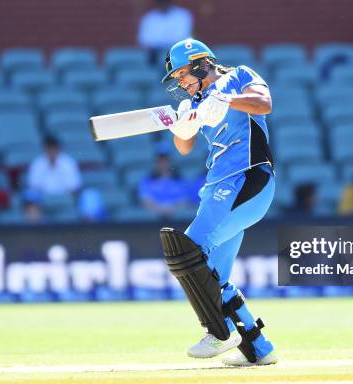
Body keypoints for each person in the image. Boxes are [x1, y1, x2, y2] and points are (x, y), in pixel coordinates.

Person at [158, 38, 277, 366]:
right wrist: (183, 127)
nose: (181, 83)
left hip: (248, 177)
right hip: (217, 188)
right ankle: (258, 348)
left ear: (200, 63)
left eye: (183, 74)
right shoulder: (196, 100)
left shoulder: (238, 75)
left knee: (189, 251)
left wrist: (226, 98)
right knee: (214, 275)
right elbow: (184, 147)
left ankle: (220, 330)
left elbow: (264, 103)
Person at [138, 147, 190, 217]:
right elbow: (145, 200)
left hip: (178, 218)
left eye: (166, 160)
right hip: (152, 219)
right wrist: (159, 209)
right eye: (160, 160)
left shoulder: (180, 180)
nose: (163, 163)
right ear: (155, 161)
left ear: (171, 161)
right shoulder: (146, 180)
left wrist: (172, 209)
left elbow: (185, 200)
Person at [137, 0, 193, 65]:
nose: (163, 3)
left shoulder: (183, 15)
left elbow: (182, 37)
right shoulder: (149, 17)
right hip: (154, 56)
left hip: (178, 55)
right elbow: (144, 40)